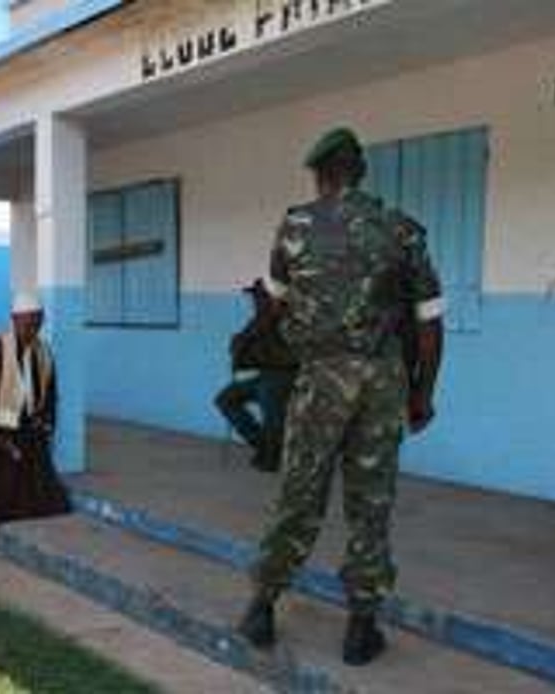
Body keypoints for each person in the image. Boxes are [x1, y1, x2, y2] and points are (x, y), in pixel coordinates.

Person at [236, 128, 445, 666]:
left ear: (320, 174)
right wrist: (422, 394)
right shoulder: (401, 231)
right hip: (381, 382)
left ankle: (262, 606)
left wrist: (279, 347)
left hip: (320, 380)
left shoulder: (295, 227)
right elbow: (429, 324)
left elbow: (272, 310)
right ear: (361, 172)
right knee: (370, 503)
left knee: (299, 494)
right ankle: (360, 628)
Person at [0, 293, 70, 551]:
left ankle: (29, 546)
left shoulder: (44, 352)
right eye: (28, 323)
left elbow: (50, 395)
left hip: (31, 438)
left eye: (37, 323)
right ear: (14, 320)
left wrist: (47, 423)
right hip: (0, 438)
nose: (32, 329)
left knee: (36, 496)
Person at [214, 279, 297, 472]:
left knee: (272, 412)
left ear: (271, 297)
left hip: (283, 375)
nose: (254, 300)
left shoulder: (288, 316)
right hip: (261, 374)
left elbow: (278, 350)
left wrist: (245, 344)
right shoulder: (261, 316)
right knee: (225, 400)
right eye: (255, 296)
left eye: (258, 295)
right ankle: (263, 446)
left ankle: (272, 457)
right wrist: (240, 344)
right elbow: (242, 341)